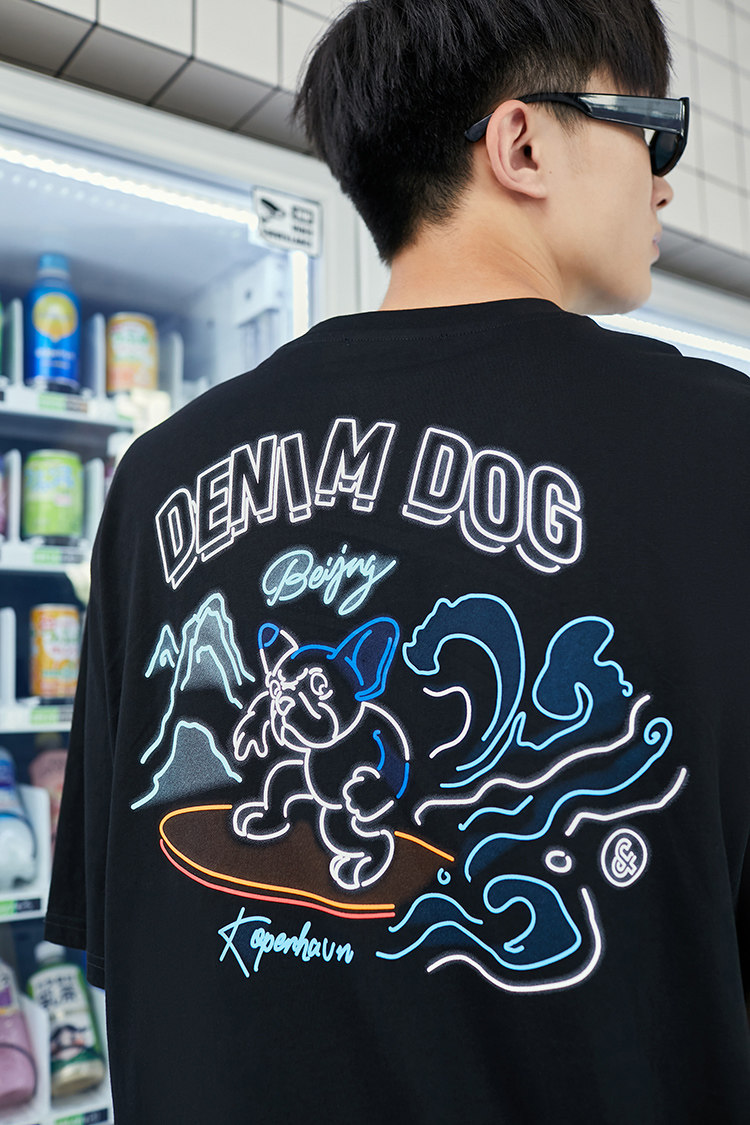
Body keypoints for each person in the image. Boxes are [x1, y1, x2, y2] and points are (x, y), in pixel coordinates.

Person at [46, 1, 750, 1122]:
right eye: (652, 132)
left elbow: (128, 934)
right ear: (522, 143)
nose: (663, 184)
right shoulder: (722, 448)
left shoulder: (157, 474)